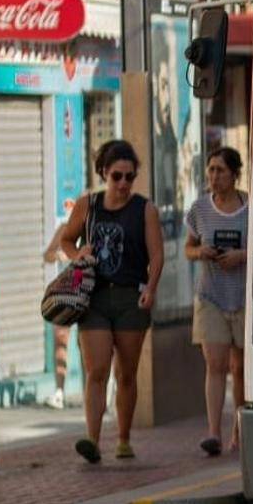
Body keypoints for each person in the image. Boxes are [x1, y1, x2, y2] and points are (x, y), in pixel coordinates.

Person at [60, 140, 163, 464]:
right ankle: (91, 439)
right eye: (117, 176)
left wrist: (152, 286)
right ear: (104, 172)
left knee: (126, 374)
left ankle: (123, 438)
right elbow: (66, 237)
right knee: (97, 369)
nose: (123, 183)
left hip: (131, 297)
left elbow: (157, 254)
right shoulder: (87, 205)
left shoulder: (144, 209)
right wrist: (77, 254)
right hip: (94, 296)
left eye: (129, 177)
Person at [185, 147, 248, 456]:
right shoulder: (200, 209)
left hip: (243, 295)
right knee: (215, 364)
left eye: (220, 170)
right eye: (210, 170)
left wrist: (241, 256)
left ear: (234, 174)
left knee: (240, 367)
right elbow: (188, 247)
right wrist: (201, 252)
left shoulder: (250, 205)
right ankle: (213, 433)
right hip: (211, 294)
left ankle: (239, 431)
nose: (214, 176)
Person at [42, 223, 70, 410]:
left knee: (89, 344)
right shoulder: (65, 228)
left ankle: (91, 393)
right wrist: (59, 255)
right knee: (60, 339)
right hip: (66, 293)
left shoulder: (99, 229)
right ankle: (59, 392)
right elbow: (47, 255)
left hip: (91, 293)